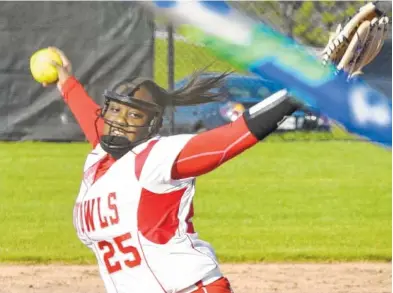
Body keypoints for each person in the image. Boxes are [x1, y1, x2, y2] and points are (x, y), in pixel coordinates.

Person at [42, 46, 300, 293]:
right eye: (115, 109)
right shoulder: (99, 157)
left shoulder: (156, 158)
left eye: (134, 115)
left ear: (151, 124)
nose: (120, 120)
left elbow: (227, 141)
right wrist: (66, 81)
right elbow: (90, 118)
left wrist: (297, 95)